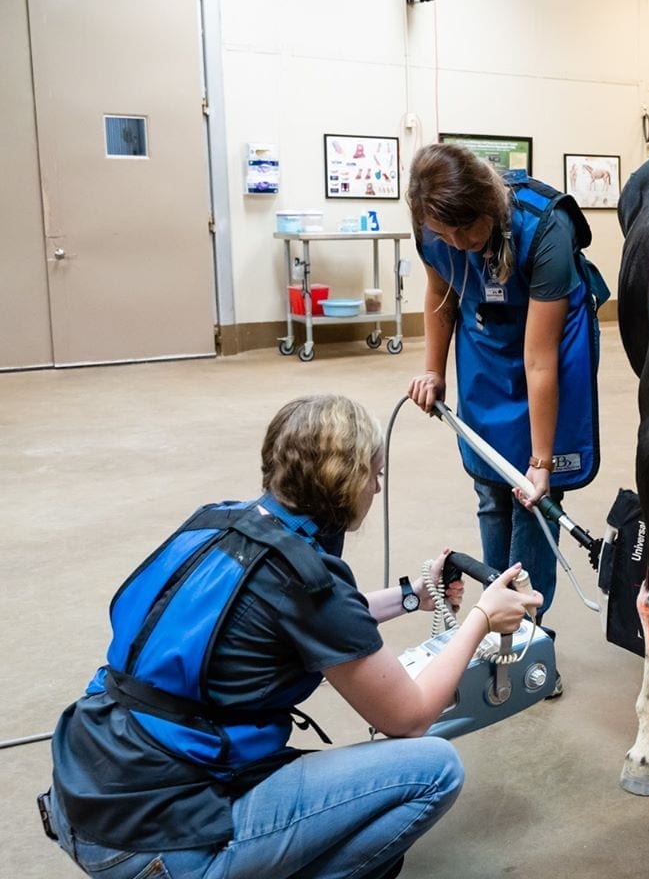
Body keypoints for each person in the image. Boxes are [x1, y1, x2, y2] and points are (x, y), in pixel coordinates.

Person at [41, 394, 540, 879]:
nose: (378, 489)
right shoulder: (304, 579)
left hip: (89, 793)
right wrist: (481, 619)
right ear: (344, 480)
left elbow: (303, 621)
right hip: (159, 842)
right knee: (433, 768)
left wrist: (415, 595)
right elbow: (407, 718)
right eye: (375, 473)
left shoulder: (218, 524)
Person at [406, 143, 606, 694]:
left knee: (535, 505)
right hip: (489, 346)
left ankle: (529, 641)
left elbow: (539, 359)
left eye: (466, 233)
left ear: (488, 206)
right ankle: (493, 625)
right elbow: (441, 292)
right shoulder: (437, 231)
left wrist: (540, 464)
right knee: (493, 493)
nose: (458, 246)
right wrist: (433, 369)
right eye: (444, 237)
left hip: (548, 352)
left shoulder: (546, 229)